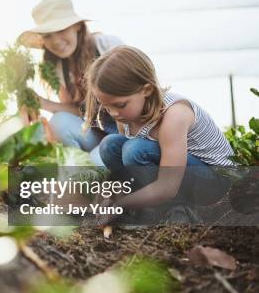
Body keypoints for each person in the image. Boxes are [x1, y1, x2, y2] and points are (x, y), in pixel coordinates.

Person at [83, 45, 234, 224]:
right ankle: (145, 208)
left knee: (135, 150)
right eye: (106, 105)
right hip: (181, 175)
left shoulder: (175, 115)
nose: (113, 113)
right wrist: (112, 194)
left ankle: (176, 208)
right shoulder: (126, 114)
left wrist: (120, 204)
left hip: (213, 181)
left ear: (146, 90)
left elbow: (167, 187)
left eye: (120, 105)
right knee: (110, 145)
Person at [18, 0, 123, 165]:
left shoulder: (106, 46)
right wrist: (42, 103)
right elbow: (76, 111)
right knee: (59, 121)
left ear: (77, 26)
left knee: (96, 163)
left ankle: (92, 170)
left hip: (125, 132)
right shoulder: (58, 67)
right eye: (48, 36)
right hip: (96, 134)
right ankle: (78, 167)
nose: (56, 41)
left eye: (61, 30)